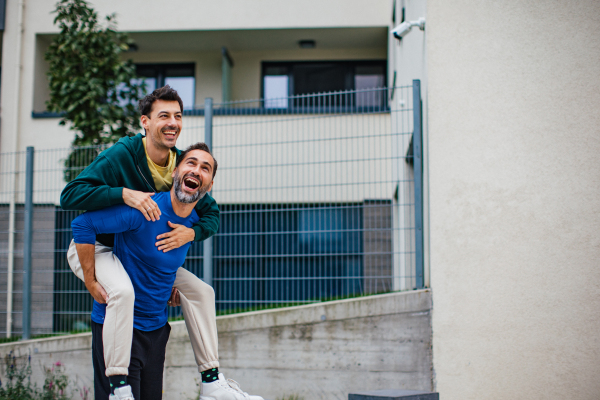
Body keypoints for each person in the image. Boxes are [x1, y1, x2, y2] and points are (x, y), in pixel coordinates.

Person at [61, 87, 262, 400]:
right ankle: (118, 387)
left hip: (136, 251)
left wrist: (191, 233)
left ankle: (212, 380)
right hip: (97, 246)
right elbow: (70, 197)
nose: (173, 122)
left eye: (178, 116)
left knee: (200, 291)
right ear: (145, 121)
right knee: (123, 292)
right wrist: (122, 194)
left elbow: (211, 213)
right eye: (164, 115)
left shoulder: (183, 163)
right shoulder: (122, 155)